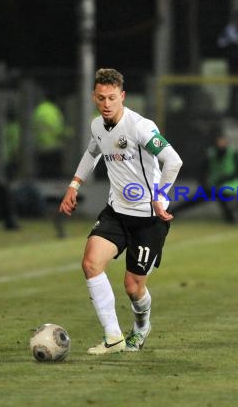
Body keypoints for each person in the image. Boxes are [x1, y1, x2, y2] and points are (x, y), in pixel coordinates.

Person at [59, 69, 183, 355]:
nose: (106, 103)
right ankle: (113, 336)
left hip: (148, 219)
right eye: (101, 98)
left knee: (133, 287)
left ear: (122, 96)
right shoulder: (97, 127)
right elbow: (92, 153)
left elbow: (172, 161)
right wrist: (74, 185)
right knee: (91, 264)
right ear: (94, 97)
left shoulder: (140, 127)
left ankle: (141, 328)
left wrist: (160, 196)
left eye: (112, 98)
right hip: (116, 212)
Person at [172, 134, 238, 224]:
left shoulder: (233, 153)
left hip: (230, 186)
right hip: (213, 185)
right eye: (219, 141)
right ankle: (171, 213)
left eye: (223, 142)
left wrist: (225, 179)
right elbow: (202, 169)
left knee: (225, 198)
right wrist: (203, 182)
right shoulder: (211, 153)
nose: (221, 144)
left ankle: (232, 216)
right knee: (194, 200)